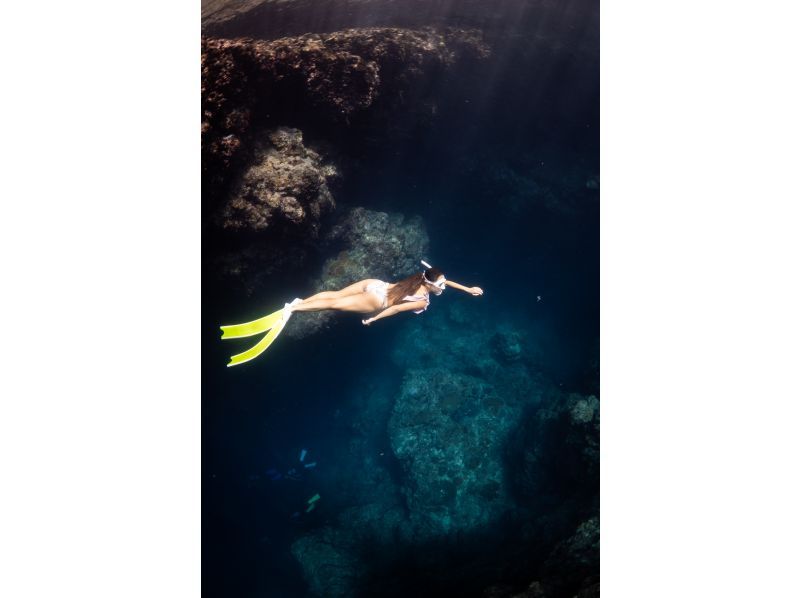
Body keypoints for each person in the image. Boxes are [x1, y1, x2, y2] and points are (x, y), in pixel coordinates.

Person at [220, 261, 483, 367]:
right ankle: (294, 309)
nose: (443, 288)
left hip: (375, 284)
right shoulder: (422, 300)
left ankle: (298, 302)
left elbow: (445, 281)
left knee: (334, 295)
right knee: (332, 305)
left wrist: (468, 289)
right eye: (441, 286)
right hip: (377, 299)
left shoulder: (421, 278)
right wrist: (373, 319)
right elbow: (395, 308)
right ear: (431, 286)